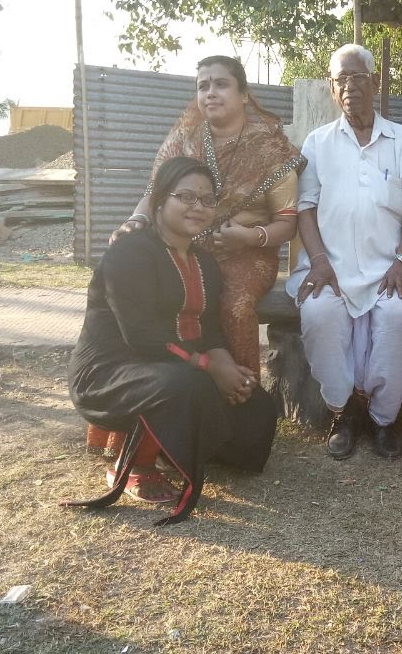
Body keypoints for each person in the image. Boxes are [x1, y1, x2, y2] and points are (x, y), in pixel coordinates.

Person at [88, 55, 305, 460]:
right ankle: (135, 421)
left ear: (243, 94)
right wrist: (135, 222)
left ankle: (236, 405)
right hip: (184, 248)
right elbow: (157, 193)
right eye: (203, 85)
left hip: (248, 253)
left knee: (234, 306)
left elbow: (287, 225)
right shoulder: (184, 139)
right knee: (151, 309)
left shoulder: (271, 148)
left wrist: (248, 237)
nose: (210, 92)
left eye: (221, 84)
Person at [65, 157, 279, 525]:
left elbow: (209, 327)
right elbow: (141, 334)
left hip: (171, 365)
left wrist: (226, 368)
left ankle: (172, 447)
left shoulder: (204, 262)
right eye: (186, 197)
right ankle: (134, 466)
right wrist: (208, 368)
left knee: (258, 406)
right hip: (111, 370)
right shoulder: (129, 252)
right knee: (186, 384)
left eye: (208, 200)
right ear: (161, 200)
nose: (198, 207)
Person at [287, 44, 402, 460]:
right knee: (318, 313)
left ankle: (383, 419)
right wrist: (318, 261)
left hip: (390, 267)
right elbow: (305, 207)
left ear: (376, 81)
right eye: (340, 79)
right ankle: (344, 411)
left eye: (357, 77)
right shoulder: (318, 142)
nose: (349, 86)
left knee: (399, 315)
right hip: (329, 265)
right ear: (332, 89)